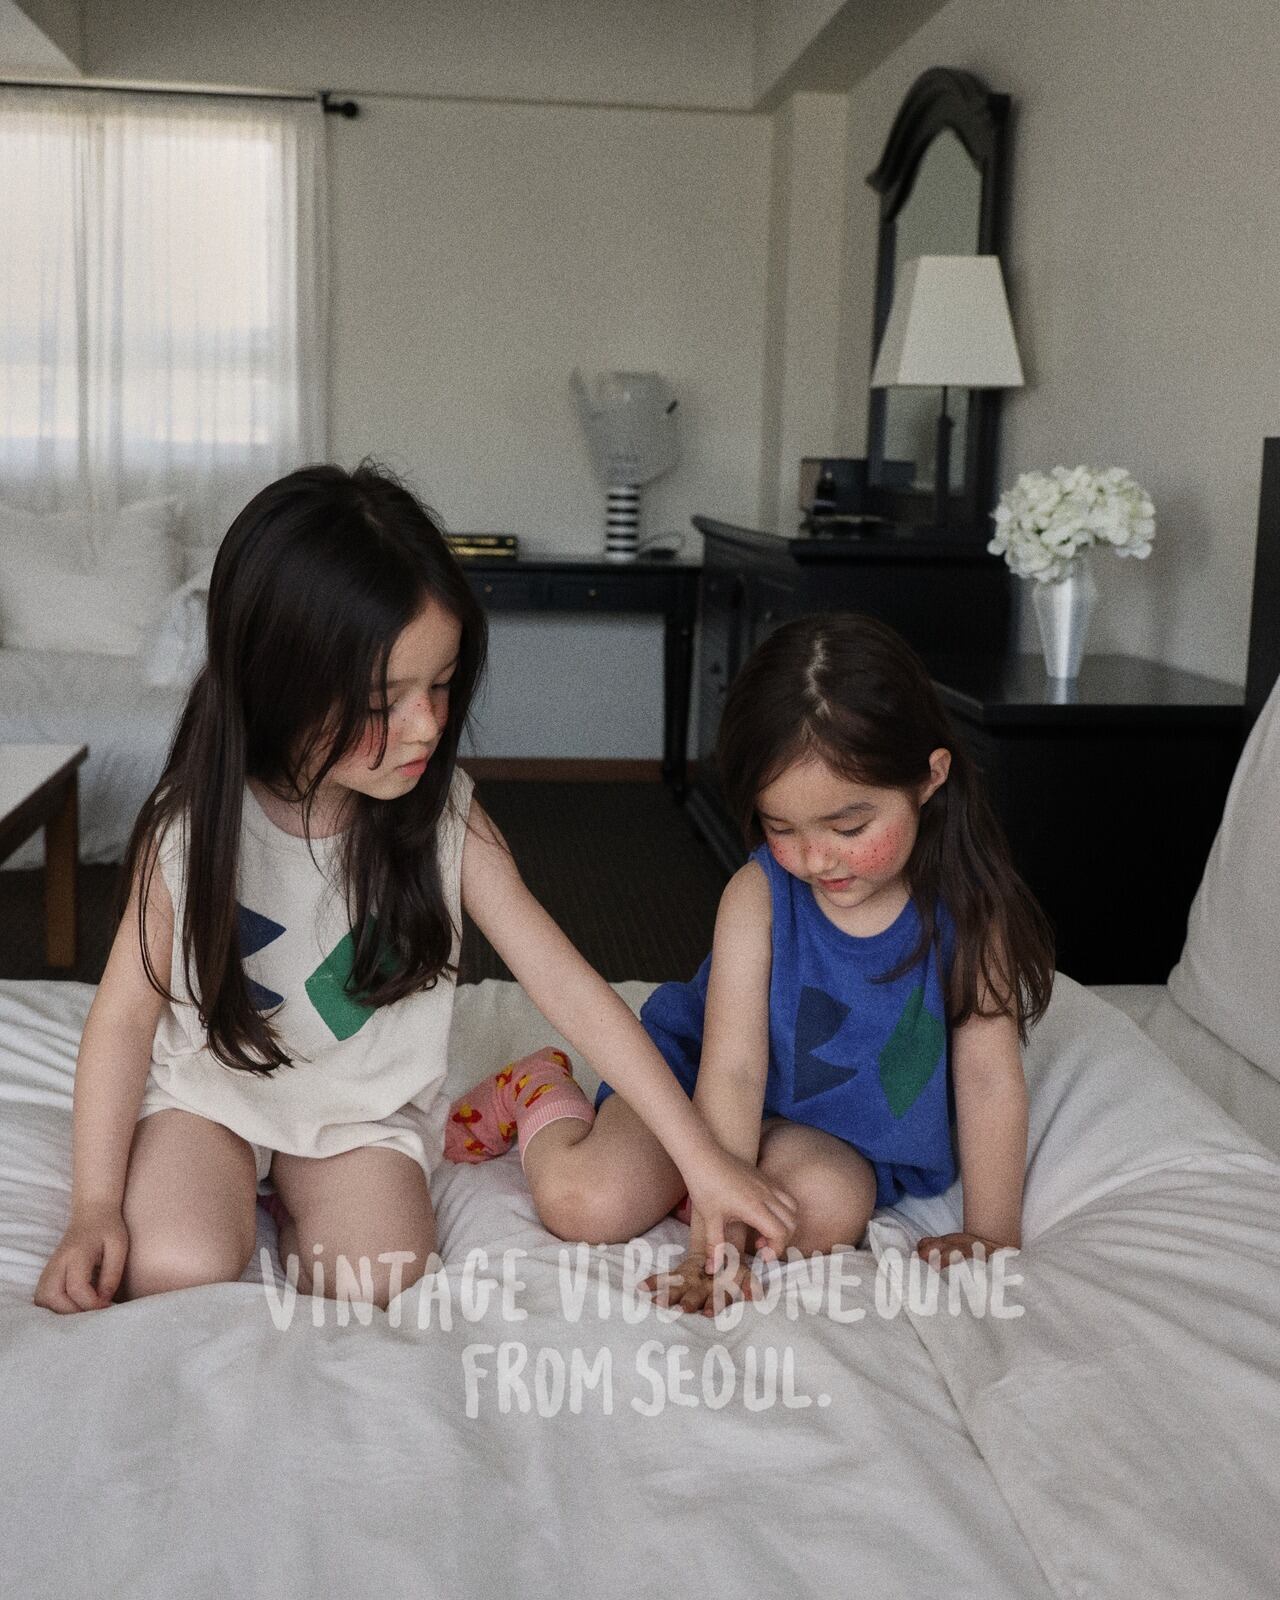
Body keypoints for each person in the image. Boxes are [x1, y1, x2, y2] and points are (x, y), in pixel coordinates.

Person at [33, 463, 795, 1315]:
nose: (428, 725)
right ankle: (253, 1185)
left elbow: (569, 988)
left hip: (358, 1113)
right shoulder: (189, 828)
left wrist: (704, 1160)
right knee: (175, 1264)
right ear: (274, 685)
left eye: (440, 685)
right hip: (211, 1099)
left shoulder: (446, 819)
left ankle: (499, 1102)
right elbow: (122, 1022)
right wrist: (93, 1208)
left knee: (379, 1276)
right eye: (382, 701)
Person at [453, 612, 1053, 1313]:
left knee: (828, 1208)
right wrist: (713, 1253)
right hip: (698, 1090)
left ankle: (691, 1190)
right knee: (585, 1204)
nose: (817, 859)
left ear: (930, 779)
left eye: (850, 826)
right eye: (782, 828)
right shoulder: (759, 895)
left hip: (815, 1134)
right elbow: (734, 1072)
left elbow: (987, 1076)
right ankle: (538, 1087)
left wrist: (990, 1234)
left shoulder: (972, 914)